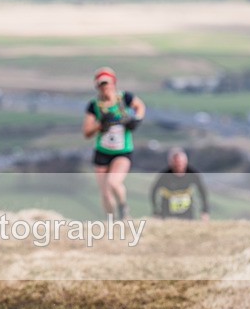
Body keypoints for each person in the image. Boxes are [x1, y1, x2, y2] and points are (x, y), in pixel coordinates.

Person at [82, 67, 146, 220]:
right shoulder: (94, 106)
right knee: (105, 193)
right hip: (102, 152)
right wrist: (100, 124)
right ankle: (110, 221)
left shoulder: (125, 99)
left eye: (108, 83)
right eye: (102, 85)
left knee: (113, 182)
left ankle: (124, 209)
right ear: (97, 86)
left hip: (122, 151)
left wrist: (136, 119)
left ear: (114, 83)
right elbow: (86, 132)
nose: (105, 87)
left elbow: (141, 107)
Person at [151, 147, 210, 221]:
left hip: (188, 217)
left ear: (185, 162)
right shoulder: (164, 176)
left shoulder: (192, 174)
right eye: (176, 164)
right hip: (167, 216)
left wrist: (205, 211)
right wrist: (156, 211)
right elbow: (154, 191)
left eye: (181, 163)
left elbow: (202, 192)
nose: (179, 166)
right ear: (171, 163)